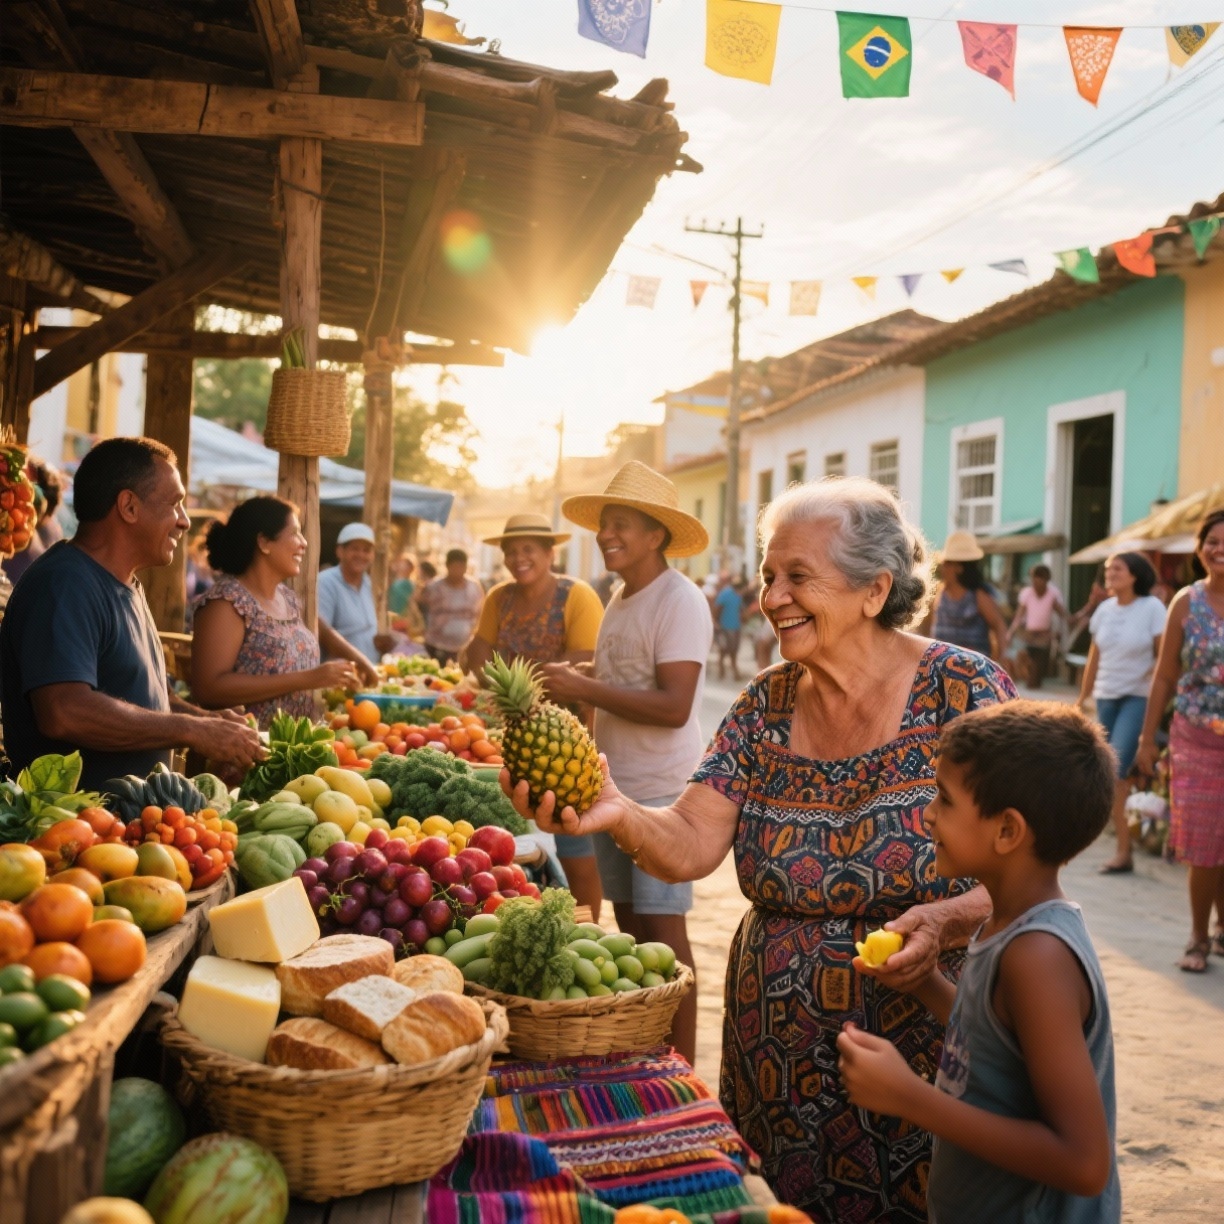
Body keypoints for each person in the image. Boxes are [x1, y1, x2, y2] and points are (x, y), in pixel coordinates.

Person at [513, 476, 1015, 1218]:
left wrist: (944, 920)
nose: (771, 597)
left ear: (874, 591)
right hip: (773, 1055)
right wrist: (617, 811)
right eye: (768, 577)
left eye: (798, 578)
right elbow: (688, 841)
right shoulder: (766, 703)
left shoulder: (964, 690)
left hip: (923, 1051)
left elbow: (1030, 864)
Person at [838, 700, 1120, 1223]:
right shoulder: (1007, 922)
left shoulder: (1038, 955)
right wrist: (924, 983)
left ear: (1007, 831)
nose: (927, 813)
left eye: (944, 799)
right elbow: (994, 1043)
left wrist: (911, 1098)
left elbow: (1084, 1163)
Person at [537, 462, 713, 1068]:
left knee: (665, 934)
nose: (606, 535)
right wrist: (582, 686)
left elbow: (673, 705)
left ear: (655, 536)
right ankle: (648, 1054)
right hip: (615, 791)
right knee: (634, 932)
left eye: (621, 525)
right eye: (604, 525)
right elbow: (625, 683)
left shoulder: (679, 600)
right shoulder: (620, 596)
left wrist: (586, 689)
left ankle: (683, 1070)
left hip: (664, 796)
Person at [0, 436, 263, 789]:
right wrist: (192, 729)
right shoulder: (64, 584)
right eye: (175, 504)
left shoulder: (127, 584)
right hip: (74, 833)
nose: (184, 521)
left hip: (132, 831)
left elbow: (144, 697)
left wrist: (209, 723)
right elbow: (64, 711)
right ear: (129, 507)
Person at [465, 512, 606, 919]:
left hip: (569, 738)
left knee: (576, 842)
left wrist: (520, 670)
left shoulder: (575, 595)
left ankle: (586, 926)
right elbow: (477, 658)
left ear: (550, 553)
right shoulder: (498, 597)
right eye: (511, 550)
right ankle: (544, 920)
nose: (517, 557)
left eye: (528, 549)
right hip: (514, 738)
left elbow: (587, 659)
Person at [190, 497, 378, 729]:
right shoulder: (226, 602)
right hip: (246, 753)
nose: (304, 543)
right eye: (295, 533)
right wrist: (311, 678)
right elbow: (208, 689)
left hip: (292, 754)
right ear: (264, 542)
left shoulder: (287, 598)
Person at [1136, 510, 1224, 973]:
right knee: (1204, 838)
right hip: (1195, 737)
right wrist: (1147, 739)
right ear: (1200, 547)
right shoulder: (1186, 604)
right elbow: (1166, 674)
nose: (1219, 548)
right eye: (1212, 540)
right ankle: (1197, 937)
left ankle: (1222, 928)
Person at [1074, 552, 1166, 875]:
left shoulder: (1152, 608)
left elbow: (1163, 657)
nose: (1110, 573)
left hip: (1136, 698)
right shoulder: (1103, 611)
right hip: (1106, 697)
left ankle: (1123, 851)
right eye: (1108, 568)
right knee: (1104, 771)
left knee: (1116, 773)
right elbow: (1094, 657)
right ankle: (1122, 845)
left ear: (1135, 575)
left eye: (1118, 568)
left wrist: (1155, 681)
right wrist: (1083, 697)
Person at [316, 523, 395, 667]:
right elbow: (323, 634)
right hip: (340, 676)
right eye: (355, 549)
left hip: (372, 670)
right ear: (340, 551)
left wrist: (382, 643)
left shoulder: (368, 584)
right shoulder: (325, 582)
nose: (361, 555)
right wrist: (362, 664)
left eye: (366, 550)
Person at [927, 531, 1010, 662]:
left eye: (947, 563)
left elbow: (999, 626)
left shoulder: (978, 596)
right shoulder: (940, 594)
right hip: (942, 670)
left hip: (972, 672)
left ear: (959, 568)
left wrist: (1000, 660)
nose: (942, 567)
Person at [1005, 564, 1067, 690]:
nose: (1035, 581)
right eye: (1034, 578)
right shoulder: (1027, 594)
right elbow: (1019, 615)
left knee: (1038, 668)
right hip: (1029, 635)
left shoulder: (1052, 595)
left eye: (1039, 578)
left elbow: (1063, 615)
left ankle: (1034, 684)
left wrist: (1060, 632)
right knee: (1029, 665)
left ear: (1046, 580)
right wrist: (1010, 632)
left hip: (1044, 637)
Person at [419, 548, 483, 665]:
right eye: (454, 567)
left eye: (461, 567)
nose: (458, 571)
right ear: (447, 566)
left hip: (464, 648)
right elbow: (417, 604)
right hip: (436, 646)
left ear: (465, 567)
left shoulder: (474, 588)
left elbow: (480, 613)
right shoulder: (433, 587)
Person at [712, 573, 744, 682]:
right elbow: (717, 608)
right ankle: (726, 671)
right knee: (724, 650)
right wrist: (716, 622)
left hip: (736, 626)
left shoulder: (739, 594)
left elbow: (739, 609)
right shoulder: (725, 593)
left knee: (734, 650)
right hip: (725, 626)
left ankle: (732, 672)